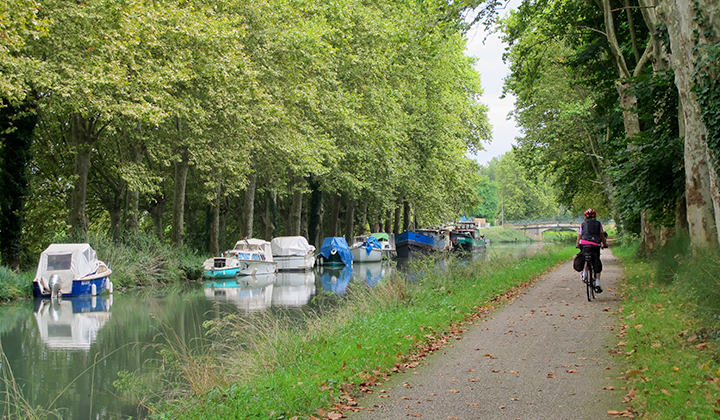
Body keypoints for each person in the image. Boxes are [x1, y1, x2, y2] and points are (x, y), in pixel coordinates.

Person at [576, 209, 608, 293]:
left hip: (584, 243)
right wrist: (604, 244)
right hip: (595, 244)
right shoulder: (598, 224)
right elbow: (602, 236)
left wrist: (578, 245)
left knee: (586, 256)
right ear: (595, 216)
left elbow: (579, 236)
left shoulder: (582, 224)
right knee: (596, 259)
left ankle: (584, 273)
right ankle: (597, 282)